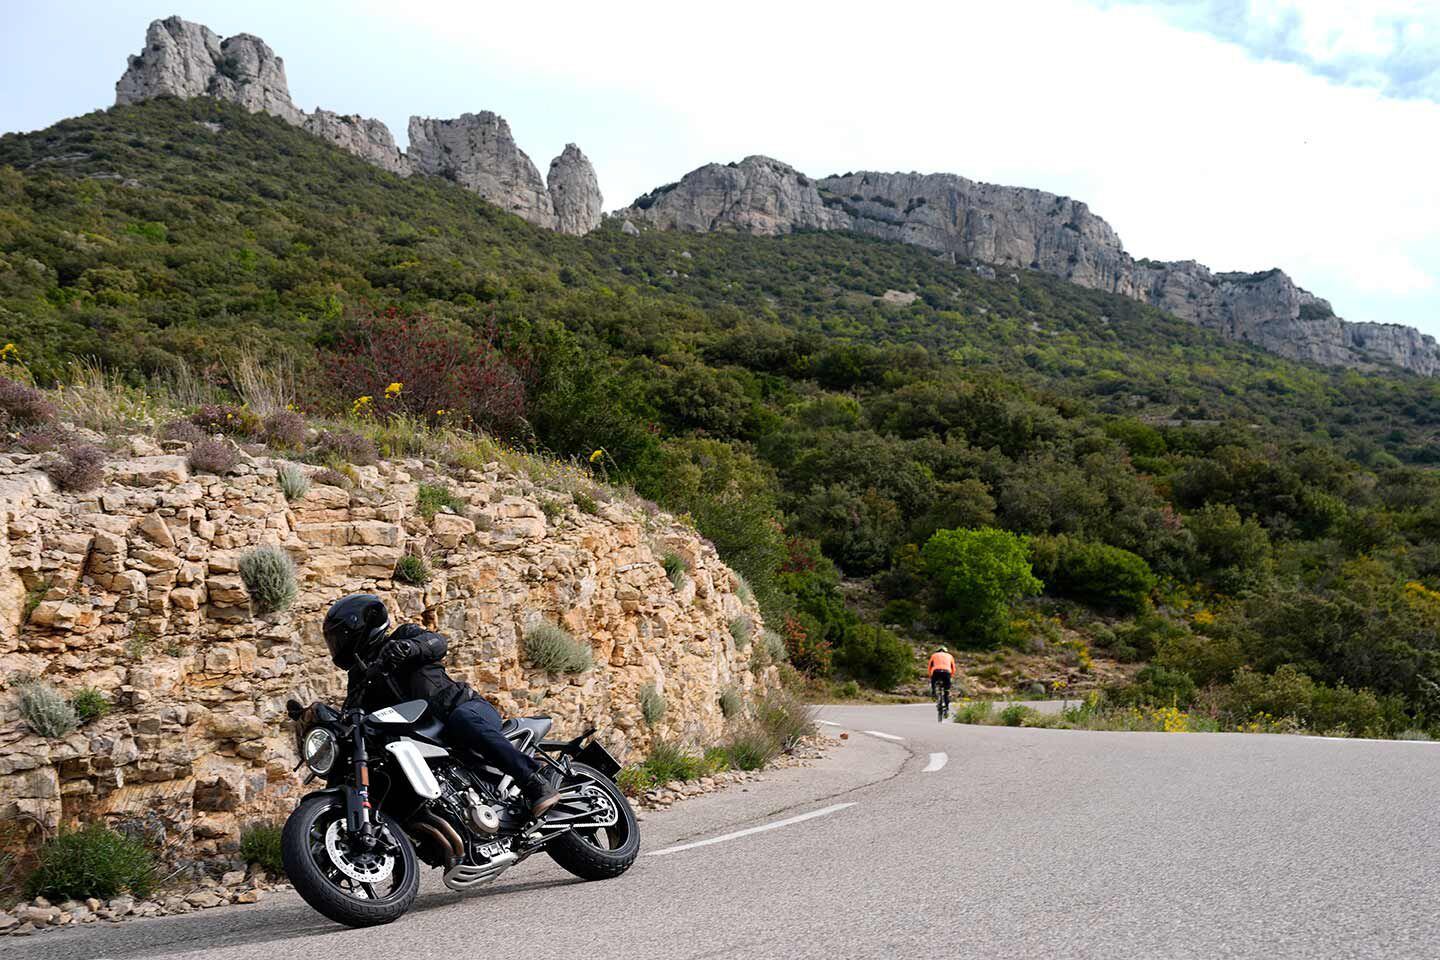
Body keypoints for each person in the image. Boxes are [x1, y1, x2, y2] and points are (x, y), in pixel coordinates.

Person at [321, 593, 561, 817]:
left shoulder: (403, 636)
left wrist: (410, 647)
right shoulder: (359, 677)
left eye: (340, 636)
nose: (338, 644)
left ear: (359, 628)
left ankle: (533, 780)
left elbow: (436, 642)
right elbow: (354, 712)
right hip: (425, 735)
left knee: (462, 720)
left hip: (462, 708)